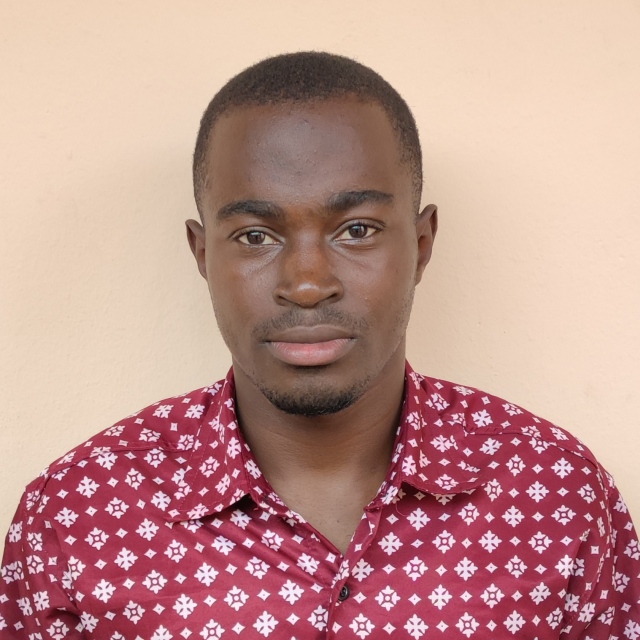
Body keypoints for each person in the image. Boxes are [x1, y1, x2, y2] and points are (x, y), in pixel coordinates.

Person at [1, 51, 638, 640]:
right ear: (202, 255)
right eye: (255, 236)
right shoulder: (75, 515)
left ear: (421, 246)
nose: (307, 285)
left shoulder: (557, 493)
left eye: (356, 230)